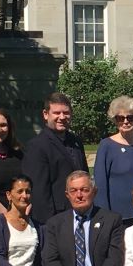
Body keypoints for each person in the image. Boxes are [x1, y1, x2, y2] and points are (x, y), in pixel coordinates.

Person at [22, 92, 88, 225]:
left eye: (66, 113)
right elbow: (39, 191)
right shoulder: (37, 146)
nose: (62, 117)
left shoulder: (75, 141)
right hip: (56, 218)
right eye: (57, 113)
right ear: (46, 114)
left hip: (81, 213)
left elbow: (84, 176)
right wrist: (51, 224)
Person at [94, 96, 133, 228]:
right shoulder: (106, 146)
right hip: (116, 219)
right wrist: (105, 218)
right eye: (120, 118)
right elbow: (100, 186)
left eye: (130, 118)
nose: (125, 122)